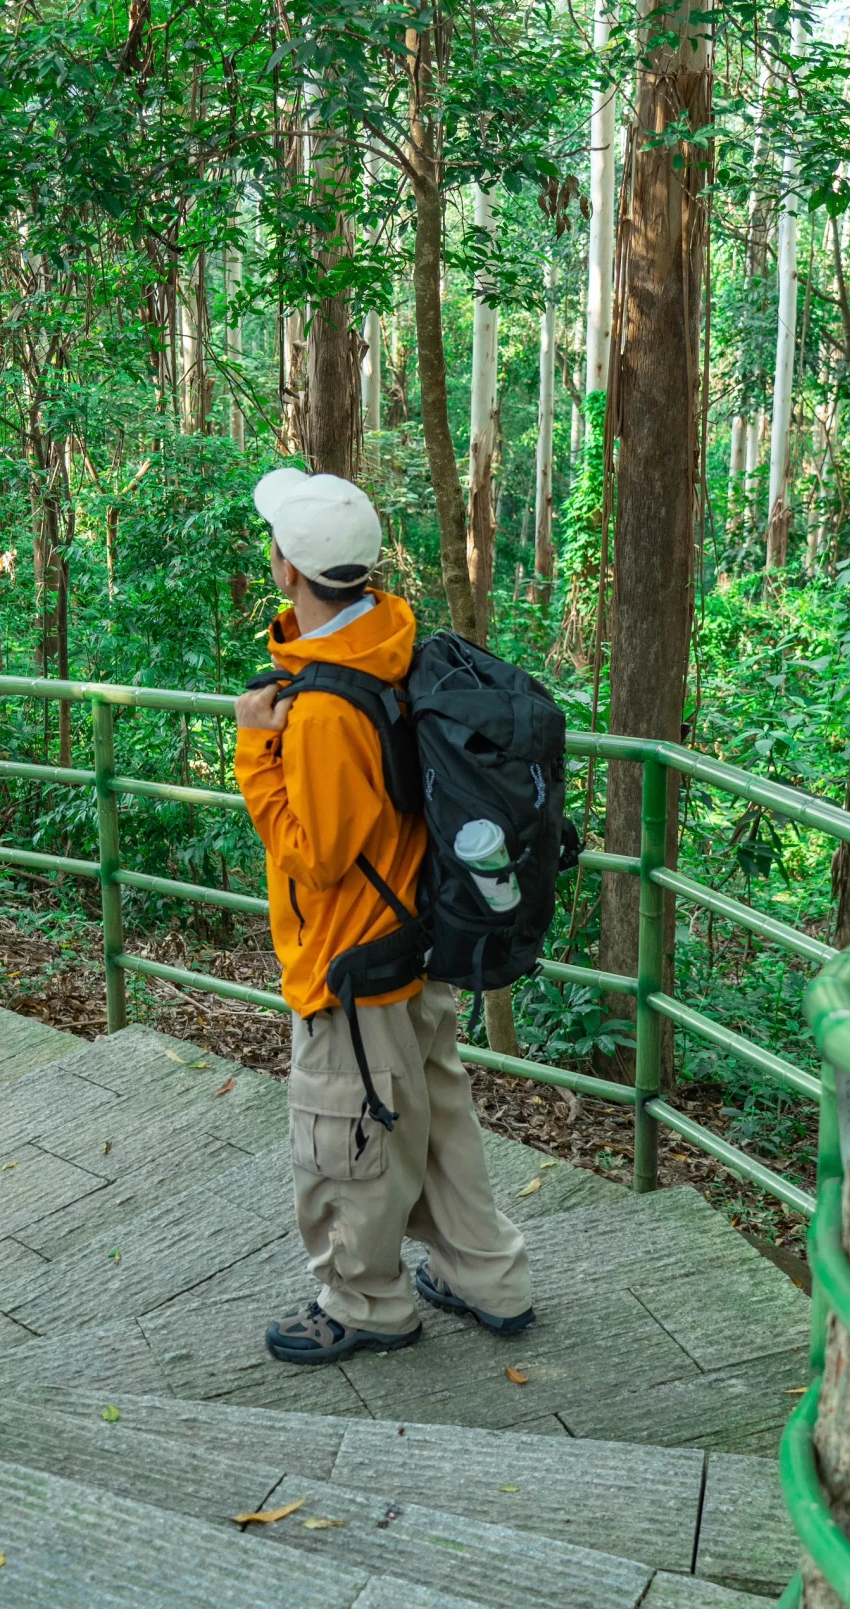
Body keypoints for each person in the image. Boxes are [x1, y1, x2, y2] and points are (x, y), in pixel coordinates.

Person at [234, 469, 534, 1365]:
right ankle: (490, 1275)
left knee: (349, 1136)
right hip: (420, 937)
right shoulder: (393, 641)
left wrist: (256, 748)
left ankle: (365, 1301)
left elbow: (314, 857)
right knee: (438, 1123)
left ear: (288, 567)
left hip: (354, 958)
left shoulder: (324, 708)